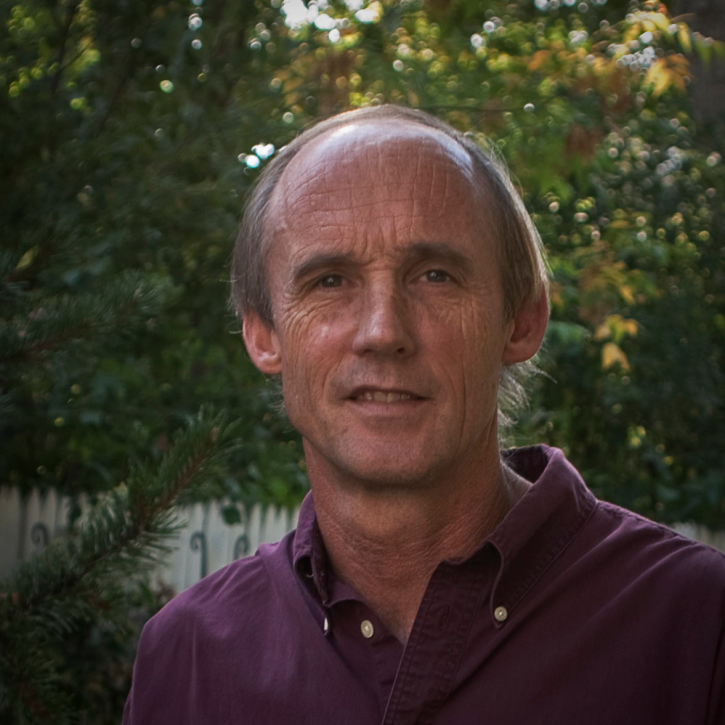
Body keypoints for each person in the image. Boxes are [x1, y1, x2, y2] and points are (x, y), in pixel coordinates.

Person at [123, 106, 725, 725]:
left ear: (521, 320)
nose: (383, 332)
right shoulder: (186, 658)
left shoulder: (697, 626)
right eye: (330, 281)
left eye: (435, 275)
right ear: (263, 334)